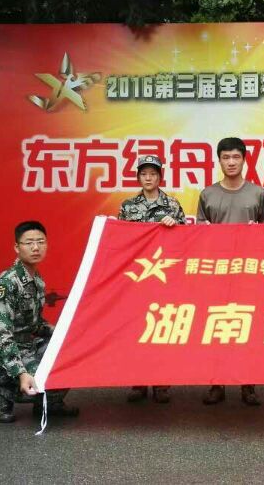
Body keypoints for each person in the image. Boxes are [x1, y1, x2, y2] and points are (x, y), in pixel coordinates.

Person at [197, 137, 264, 406]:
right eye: (226, 157)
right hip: (217, 274)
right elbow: (198, 234)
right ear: (219, 161)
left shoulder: (258, 194)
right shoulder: (207, 194)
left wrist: (257, 235)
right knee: (216, 328)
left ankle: (248, 384)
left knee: (247, 328)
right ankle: (216, 383)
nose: (231, 162)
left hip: (248, 273)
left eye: (236, 157)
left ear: (244, 160)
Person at [0, 220, 79, 423]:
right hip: (3, 354)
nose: (36, 247)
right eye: (29, 243)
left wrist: (66, 333)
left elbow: (35, 325)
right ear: (17, 247)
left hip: (28, 345)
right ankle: (4, 394)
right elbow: (1, 335)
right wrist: (21, 373)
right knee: (40, 377)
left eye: (40, 242)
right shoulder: (7, 285)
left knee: (71, 353)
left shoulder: (36, 280)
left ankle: (49, 403)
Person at [118, 155, 186, 403]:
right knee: (137, 330)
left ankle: (161, 383)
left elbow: (186, 240)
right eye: (144, 174)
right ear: (138, 177)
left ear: (160, 177)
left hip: (163, 278)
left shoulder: (172, 205)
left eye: (153, 174)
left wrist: (174, 225)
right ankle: (138, 383)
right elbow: (120, 240)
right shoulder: (128, 206)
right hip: (137, 278)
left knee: (160, 329)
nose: (148, 178)